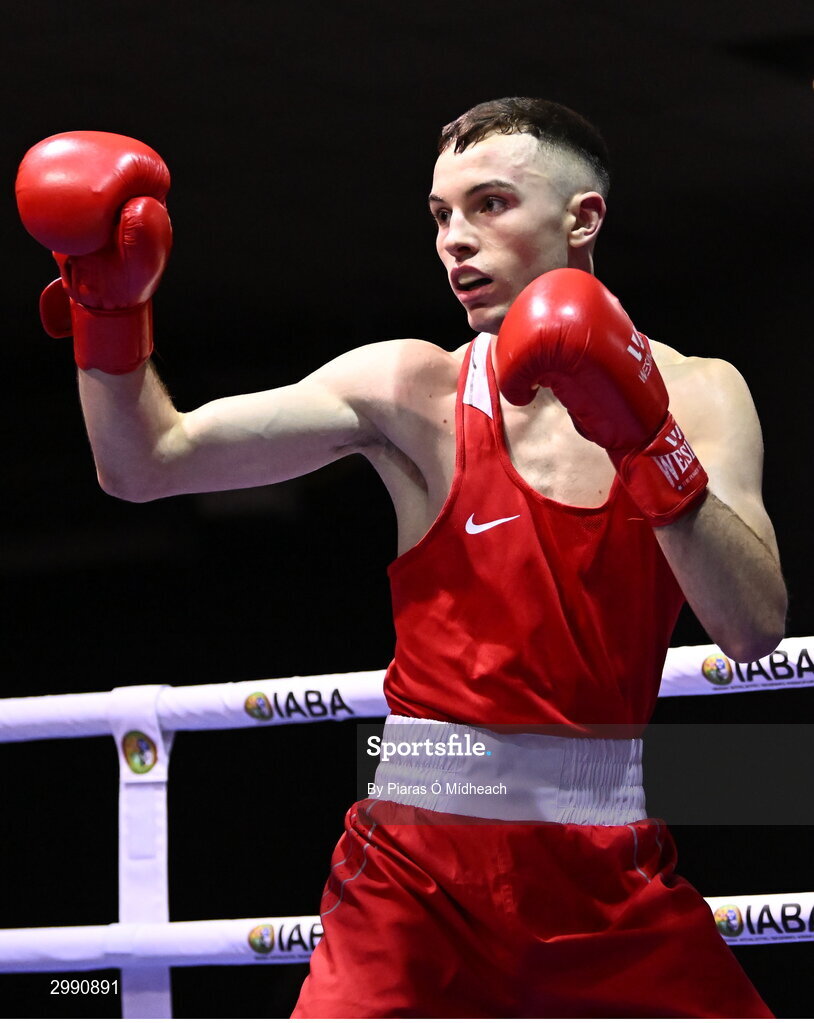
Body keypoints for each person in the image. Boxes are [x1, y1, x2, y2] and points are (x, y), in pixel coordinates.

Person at [16, 98, 786, 1017]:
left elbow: (752, 629)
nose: (455, 240)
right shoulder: (407, 389)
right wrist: (111, 308)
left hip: (606, 879)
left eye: (490, 204)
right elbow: (146, 463)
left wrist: (645, 438)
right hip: (415, 878)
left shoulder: (700, 394)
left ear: (584, 218)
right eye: (440, 215)